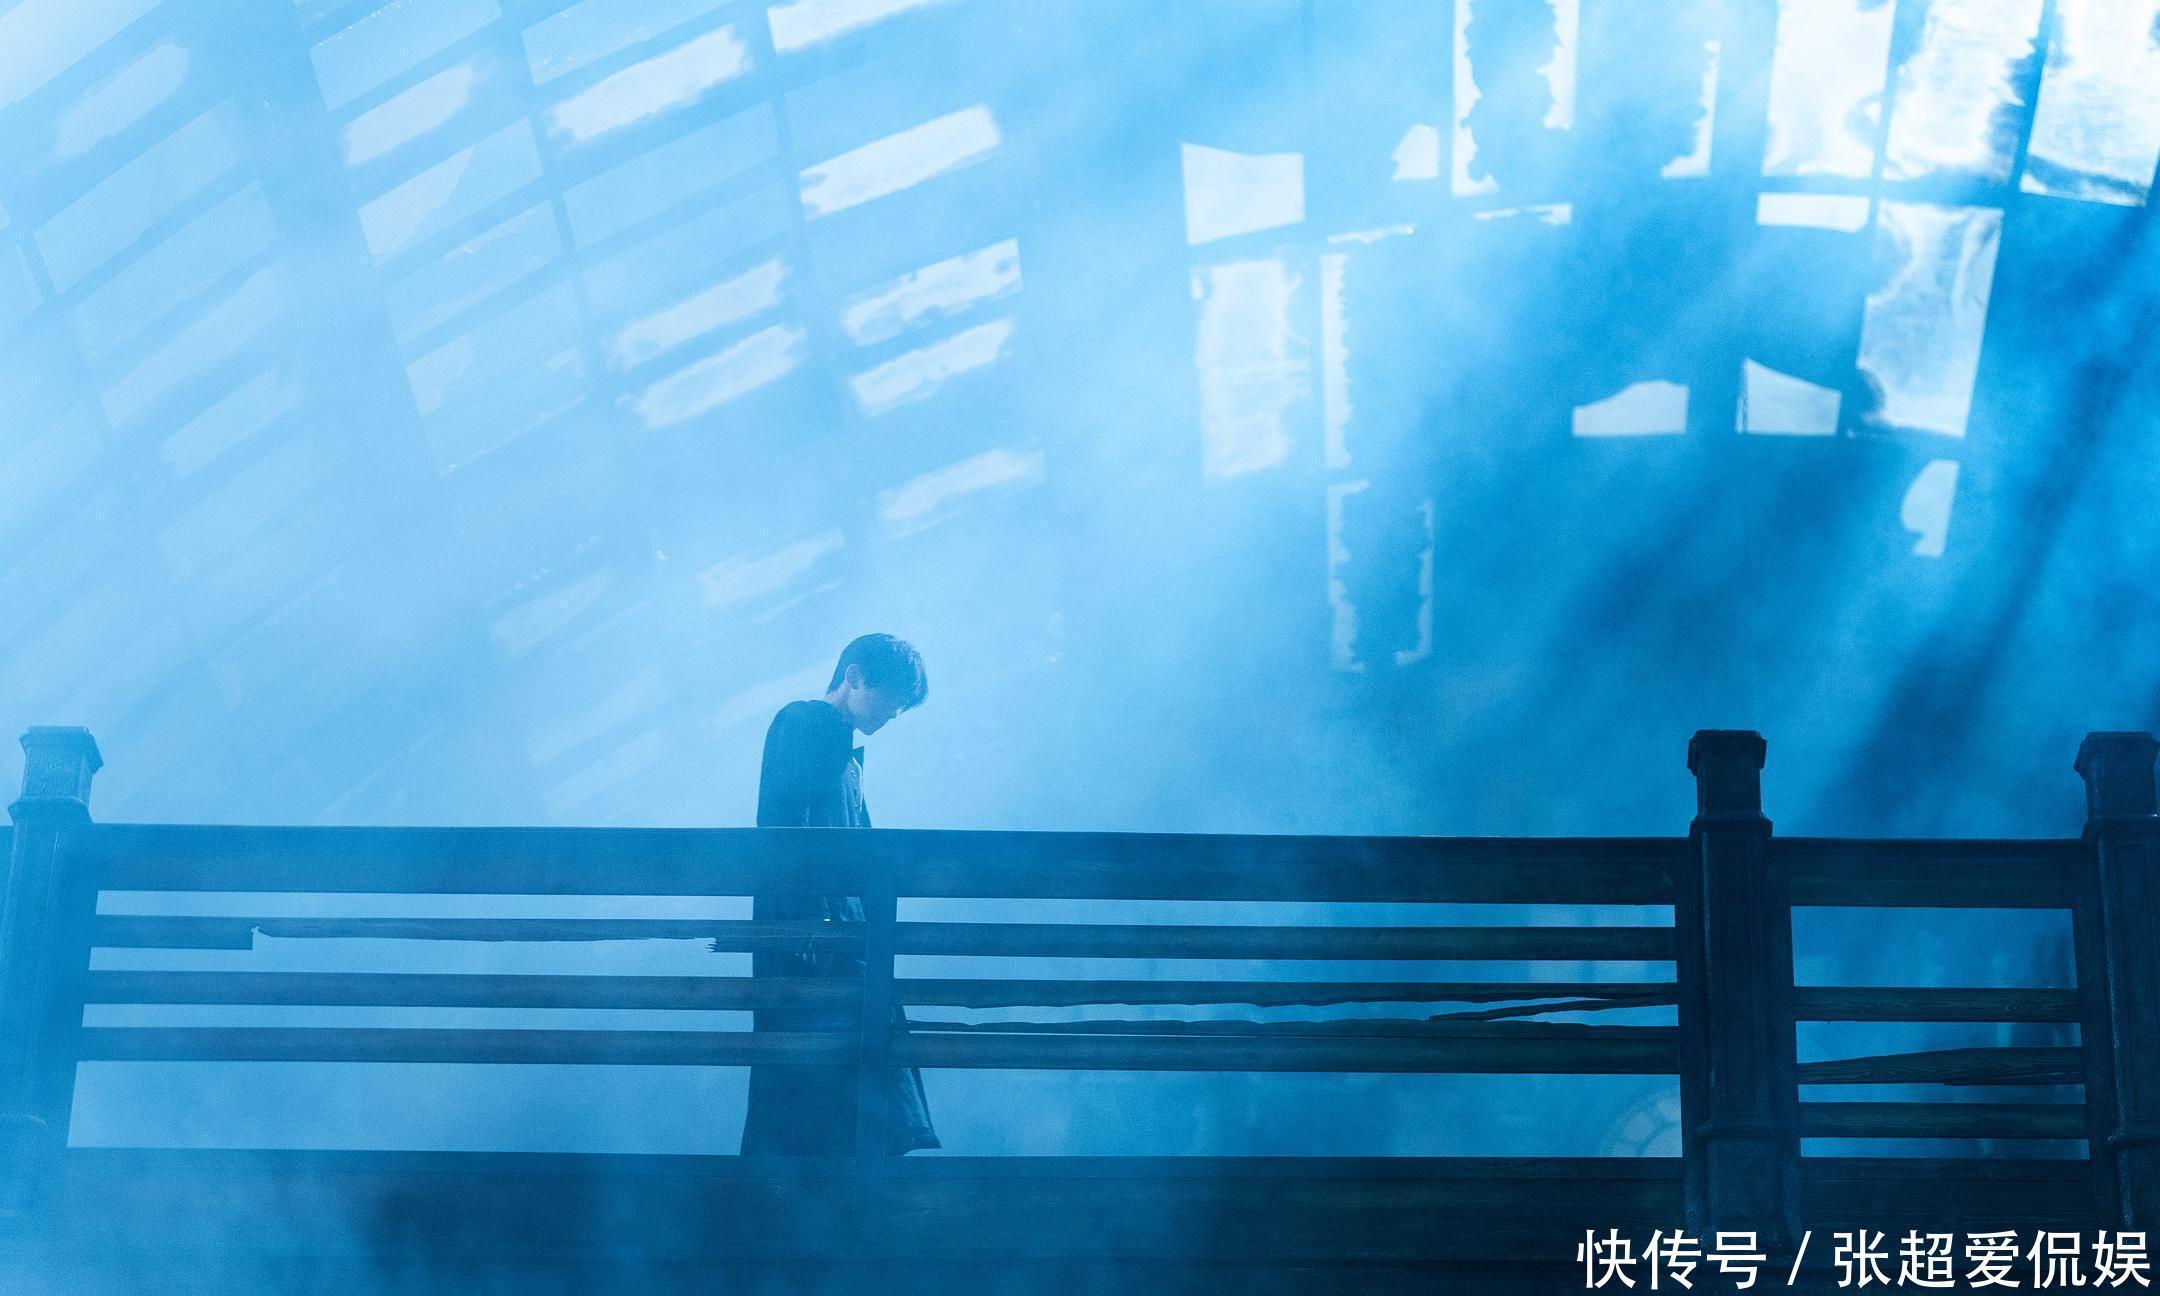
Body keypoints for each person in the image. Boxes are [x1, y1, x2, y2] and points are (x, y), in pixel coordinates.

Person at [737, 633, 939, 1156]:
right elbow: (785, 828)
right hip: (814, 933)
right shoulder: (807, 721)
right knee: (827, 1058)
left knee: (834, 1064)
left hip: (833, 931)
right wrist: (806, 922)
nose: (894, 712)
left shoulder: (842, 752)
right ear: (854, 676)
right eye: (892, 696)